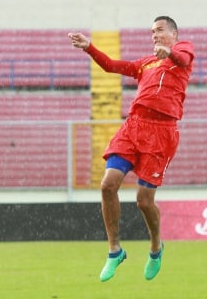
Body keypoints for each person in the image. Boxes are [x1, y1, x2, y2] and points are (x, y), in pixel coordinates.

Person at [68, 16, 195, 282]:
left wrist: (169, 52)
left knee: (144, 201)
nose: (154, 35)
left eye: (159, 30)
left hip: (162, 132)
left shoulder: (183, 50)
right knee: (107, 184)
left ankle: (156, 247)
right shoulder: (146, 63)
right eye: (151, 32)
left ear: (173, 33)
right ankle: (115, 250)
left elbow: (182, 59)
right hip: (134, 126)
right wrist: (89, 47)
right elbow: (113, 66)